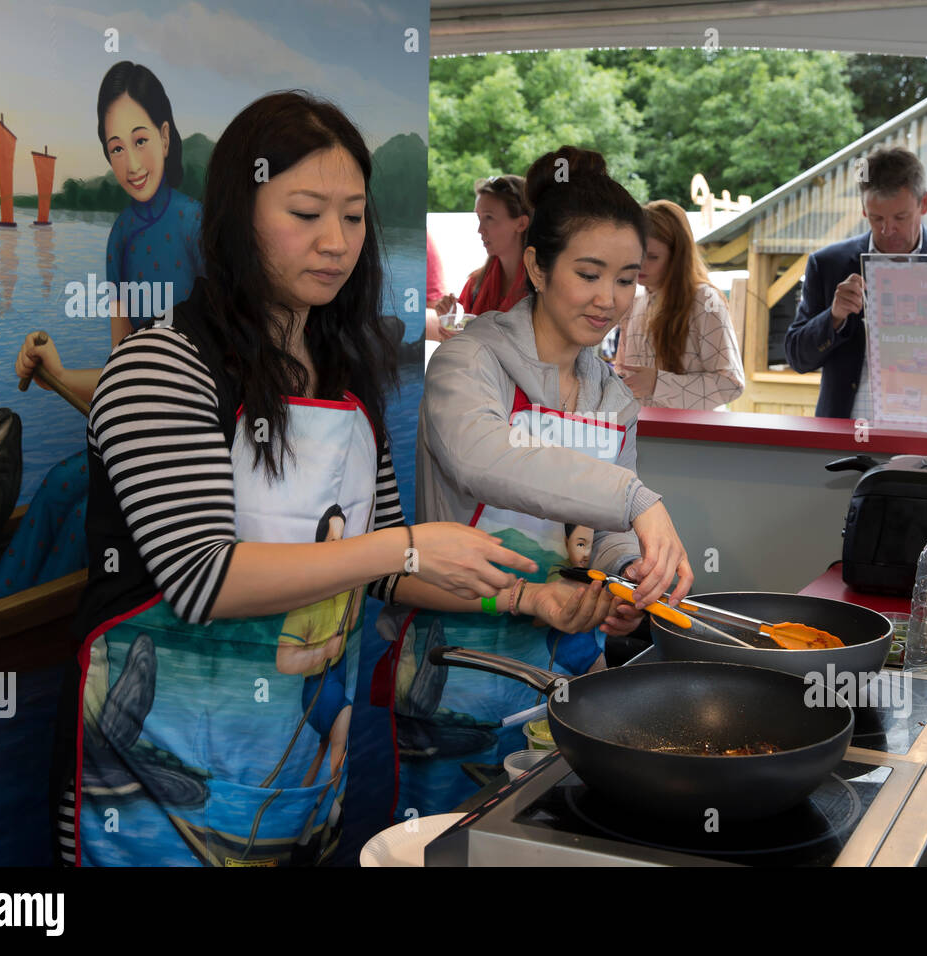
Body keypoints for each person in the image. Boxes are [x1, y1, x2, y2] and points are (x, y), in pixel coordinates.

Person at [60, 93, 607, 867]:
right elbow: (201, 577)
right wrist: (403, 548)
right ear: (237, 214)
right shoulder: (162, 366)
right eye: (307, 212)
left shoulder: (345, 373)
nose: (337, 242)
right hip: (153, 784)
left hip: (303, 782)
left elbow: (385, 564)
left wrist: (529, 598)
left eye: (353, 217)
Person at [384, 146, 694, 817]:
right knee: (448, 848)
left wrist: (631, 573)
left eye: (626, 279)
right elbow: (484, 459)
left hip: (569, 676)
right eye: (589, 274)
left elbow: (603, 531)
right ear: (536, 265)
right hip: (458, 671)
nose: (608, 299)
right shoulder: (470, 362)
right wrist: (637, 501)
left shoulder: (609, 393)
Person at [0, 61, 204, 603]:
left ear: (166, 135)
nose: (130, 164)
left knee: (86, 514)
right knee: (58, 487)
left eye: (139, 140)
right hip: (134, 440)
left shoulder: (199, 226)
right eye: (114, 148)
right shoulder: (120, 238)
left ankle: (13, 640)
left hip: (192, 452)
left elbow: (224, 372)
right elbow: (123, 377)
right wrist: (55, 372)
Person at [784, 146, 927, 419]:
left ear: (924, 204)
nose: (887, 230)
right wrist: (834, 317)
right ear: (863, 210)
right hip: (848, 434)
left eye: (900, 218)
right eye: (877, 218)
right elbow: (797, 357)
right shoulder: (828, 264)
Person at [616, 199, 744, 409]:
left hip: (693, 437)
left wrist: (658, 383)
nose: (640, 264)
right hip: (642, 434)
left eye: (653, 257)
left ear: (677, 256)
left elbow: (731, 384)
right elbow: (624, 374)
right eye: (634, 254)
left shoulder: (705, 300)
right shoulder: (634, 301)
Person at [430, 174, 531, 329]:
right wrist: (448, 325)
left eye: (489, 218)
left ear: (521, 223)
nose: (480, 229)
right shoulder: (476, 285)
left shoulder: (543, 288)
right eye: (479, 217)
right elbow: (467, 346)